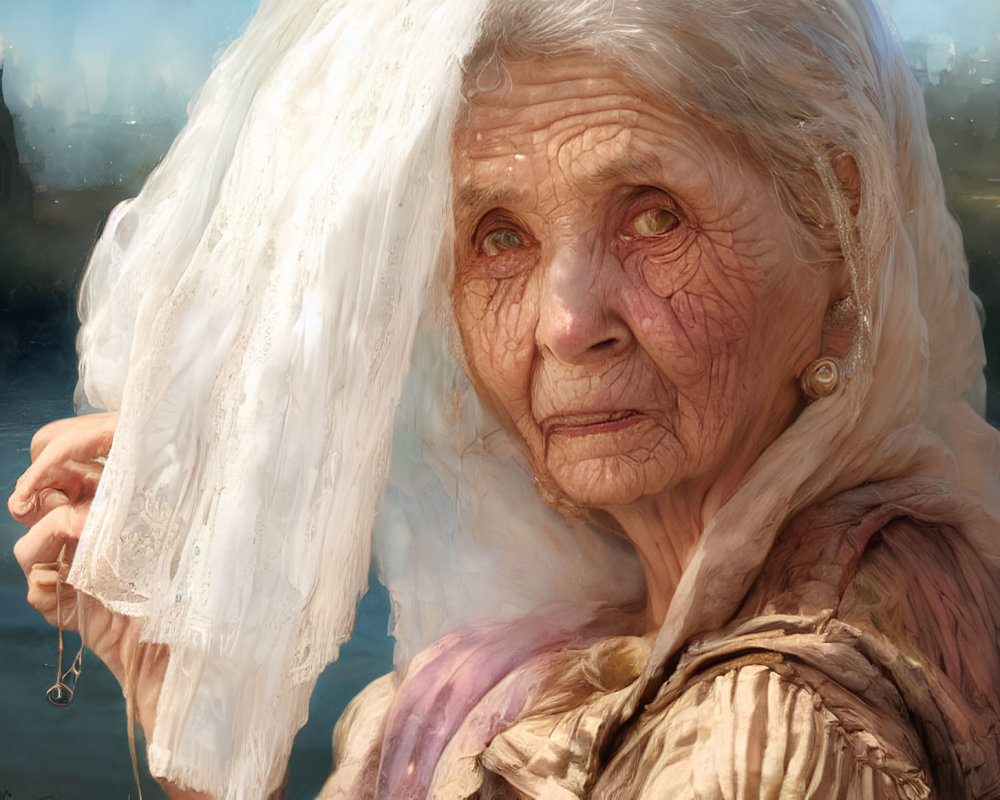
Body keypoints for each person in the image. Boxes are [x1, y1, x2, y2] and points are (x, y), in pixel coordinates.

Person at [9, 0, 1000, 797]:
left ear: (838, 234)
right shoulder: (611, 646)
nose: (566, 322)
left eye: (653, 214)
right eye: (498, 236)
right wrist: (180, 701)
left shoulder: (765, 730)